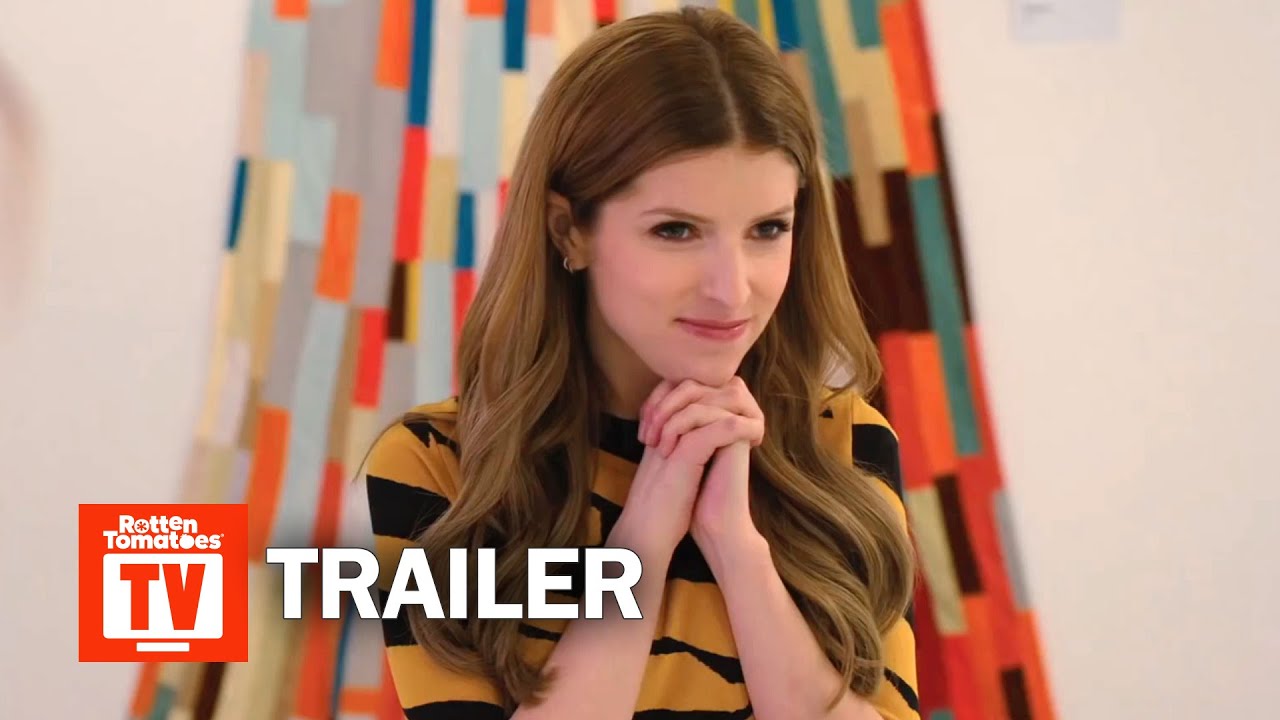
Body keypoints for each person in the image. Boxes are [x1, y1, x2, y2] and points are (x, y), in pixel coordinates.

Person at [364, 8, 918, 720]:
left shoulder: (844, 443)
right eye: (676, 230)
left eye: (767, 229)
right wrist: (645, 538)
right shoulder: (439, 467)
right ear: (569, 230)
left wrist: (736, 549)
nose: (732, 290)